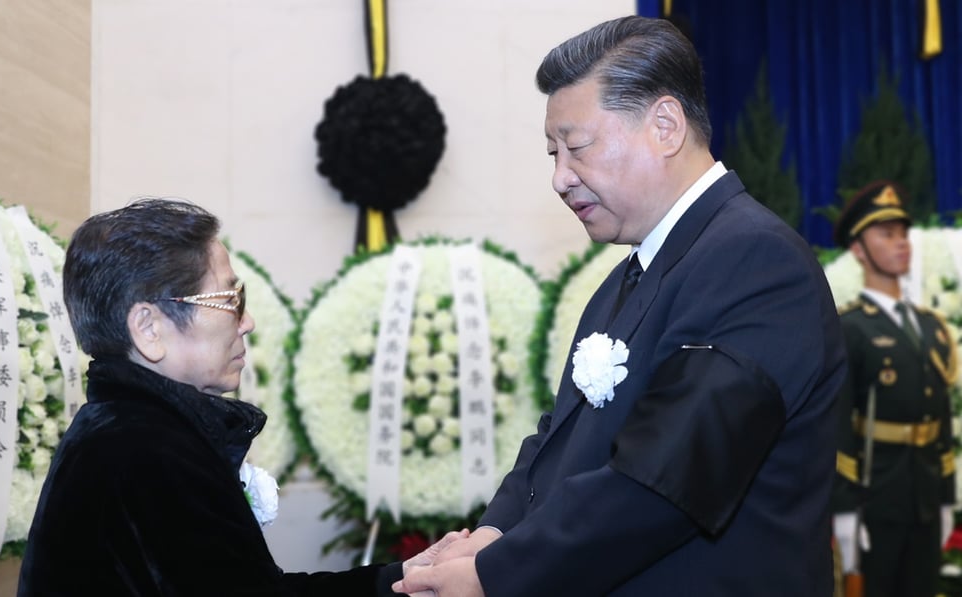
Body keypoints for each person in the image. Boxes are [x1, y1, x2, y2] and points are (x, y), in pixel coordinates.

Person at [393, 15, 847, 596]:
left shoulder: (755, 262)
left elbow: (664, 479)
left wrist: (496, 576)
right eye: (551, 153)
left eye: (576, 147)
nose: (560, 178)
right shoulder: (629, 277)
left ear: (664, 126)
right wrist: (495, 531)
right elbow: (558, 438)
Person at [17, 198, 458, 596]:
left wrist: (397, 579)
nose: (246, 321)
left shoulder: (129, 428)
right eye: (230, 299)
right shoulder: (146, 449)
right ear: (149, 329)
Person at [830, 181, 957, 597]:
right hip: (875, 500)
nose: (901, 243)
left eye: (903, 233)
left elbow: (938, 420)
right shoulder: (849, 328)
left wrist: (944, 499)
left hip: (922, 497)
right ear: (859, 251)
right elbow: (837, 426)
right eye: (886, 235)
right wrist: (846, 514)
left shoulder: (930, 327)